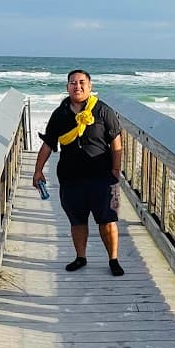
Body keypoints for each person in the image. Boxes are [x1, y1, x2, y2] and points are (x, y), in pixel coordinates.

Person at [32, 69, 124, 276]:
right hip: (70, 178)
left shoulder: (102, 111)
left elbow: (116, 141)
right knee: (77, 221)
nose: (77, 86)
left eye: (82, 82)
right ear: (67, 87)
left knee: (108, 221)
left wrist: (116, 169)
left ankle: (114, 260)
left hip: (102, 177)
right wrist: (38, 171)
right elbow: (48, 144)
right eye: (73, 83)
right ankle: (80, 257)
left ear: (90, 87)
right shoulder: (59, 114)